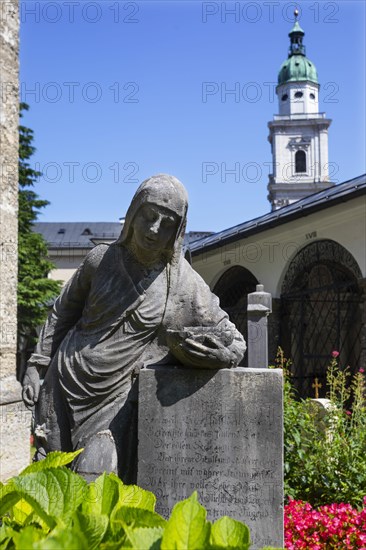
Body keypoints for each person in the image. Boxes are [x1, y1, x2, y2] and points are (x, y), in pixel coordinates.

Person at [22, 174, 246, 482]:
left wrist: (220, 355)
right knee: (54, 482)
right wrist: (37, 364)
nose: (155, 230)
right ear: (133, 214)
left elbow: (232, 338)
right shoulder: (100, 259)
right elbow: (62, 312)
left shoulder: (182, 281)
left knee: (96, 477)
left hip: (117, 395)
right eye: (149, 217)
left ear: (178, 231)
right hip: (64, 382)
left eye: (167, 224)